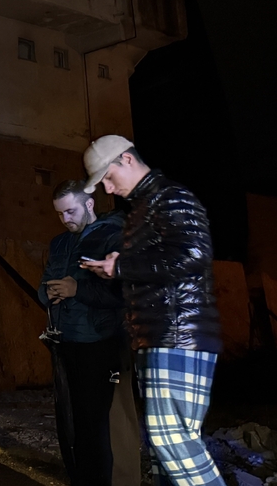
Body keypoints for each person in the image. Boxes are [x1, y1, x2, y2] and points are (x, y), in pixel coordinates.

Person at [80, 136, 225, 486]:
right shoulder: (146, 207)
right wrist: (119, 264)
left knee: (172, 439)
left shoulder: (169, 197)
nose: (109, 189)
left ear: (126, 159)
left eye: (108, 178)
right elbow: (161, 261)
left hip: (176, 334)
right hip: (158, 334)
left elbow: (192, 256)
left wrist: (123, 265)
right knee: (164, 453)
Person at [40, 181, 132, 486]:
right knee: (74, 422)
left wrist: (77, 289)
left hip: (102, 345)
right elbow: (46, 283)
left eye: (70, 211)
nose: (65, 219)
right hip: (67, 343)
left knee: (99, 425)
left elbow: (123, 293)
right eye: (59, 214)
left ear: (90, 204)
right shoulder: (59, 244)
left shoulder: (112, 236)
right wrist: (48, 294)